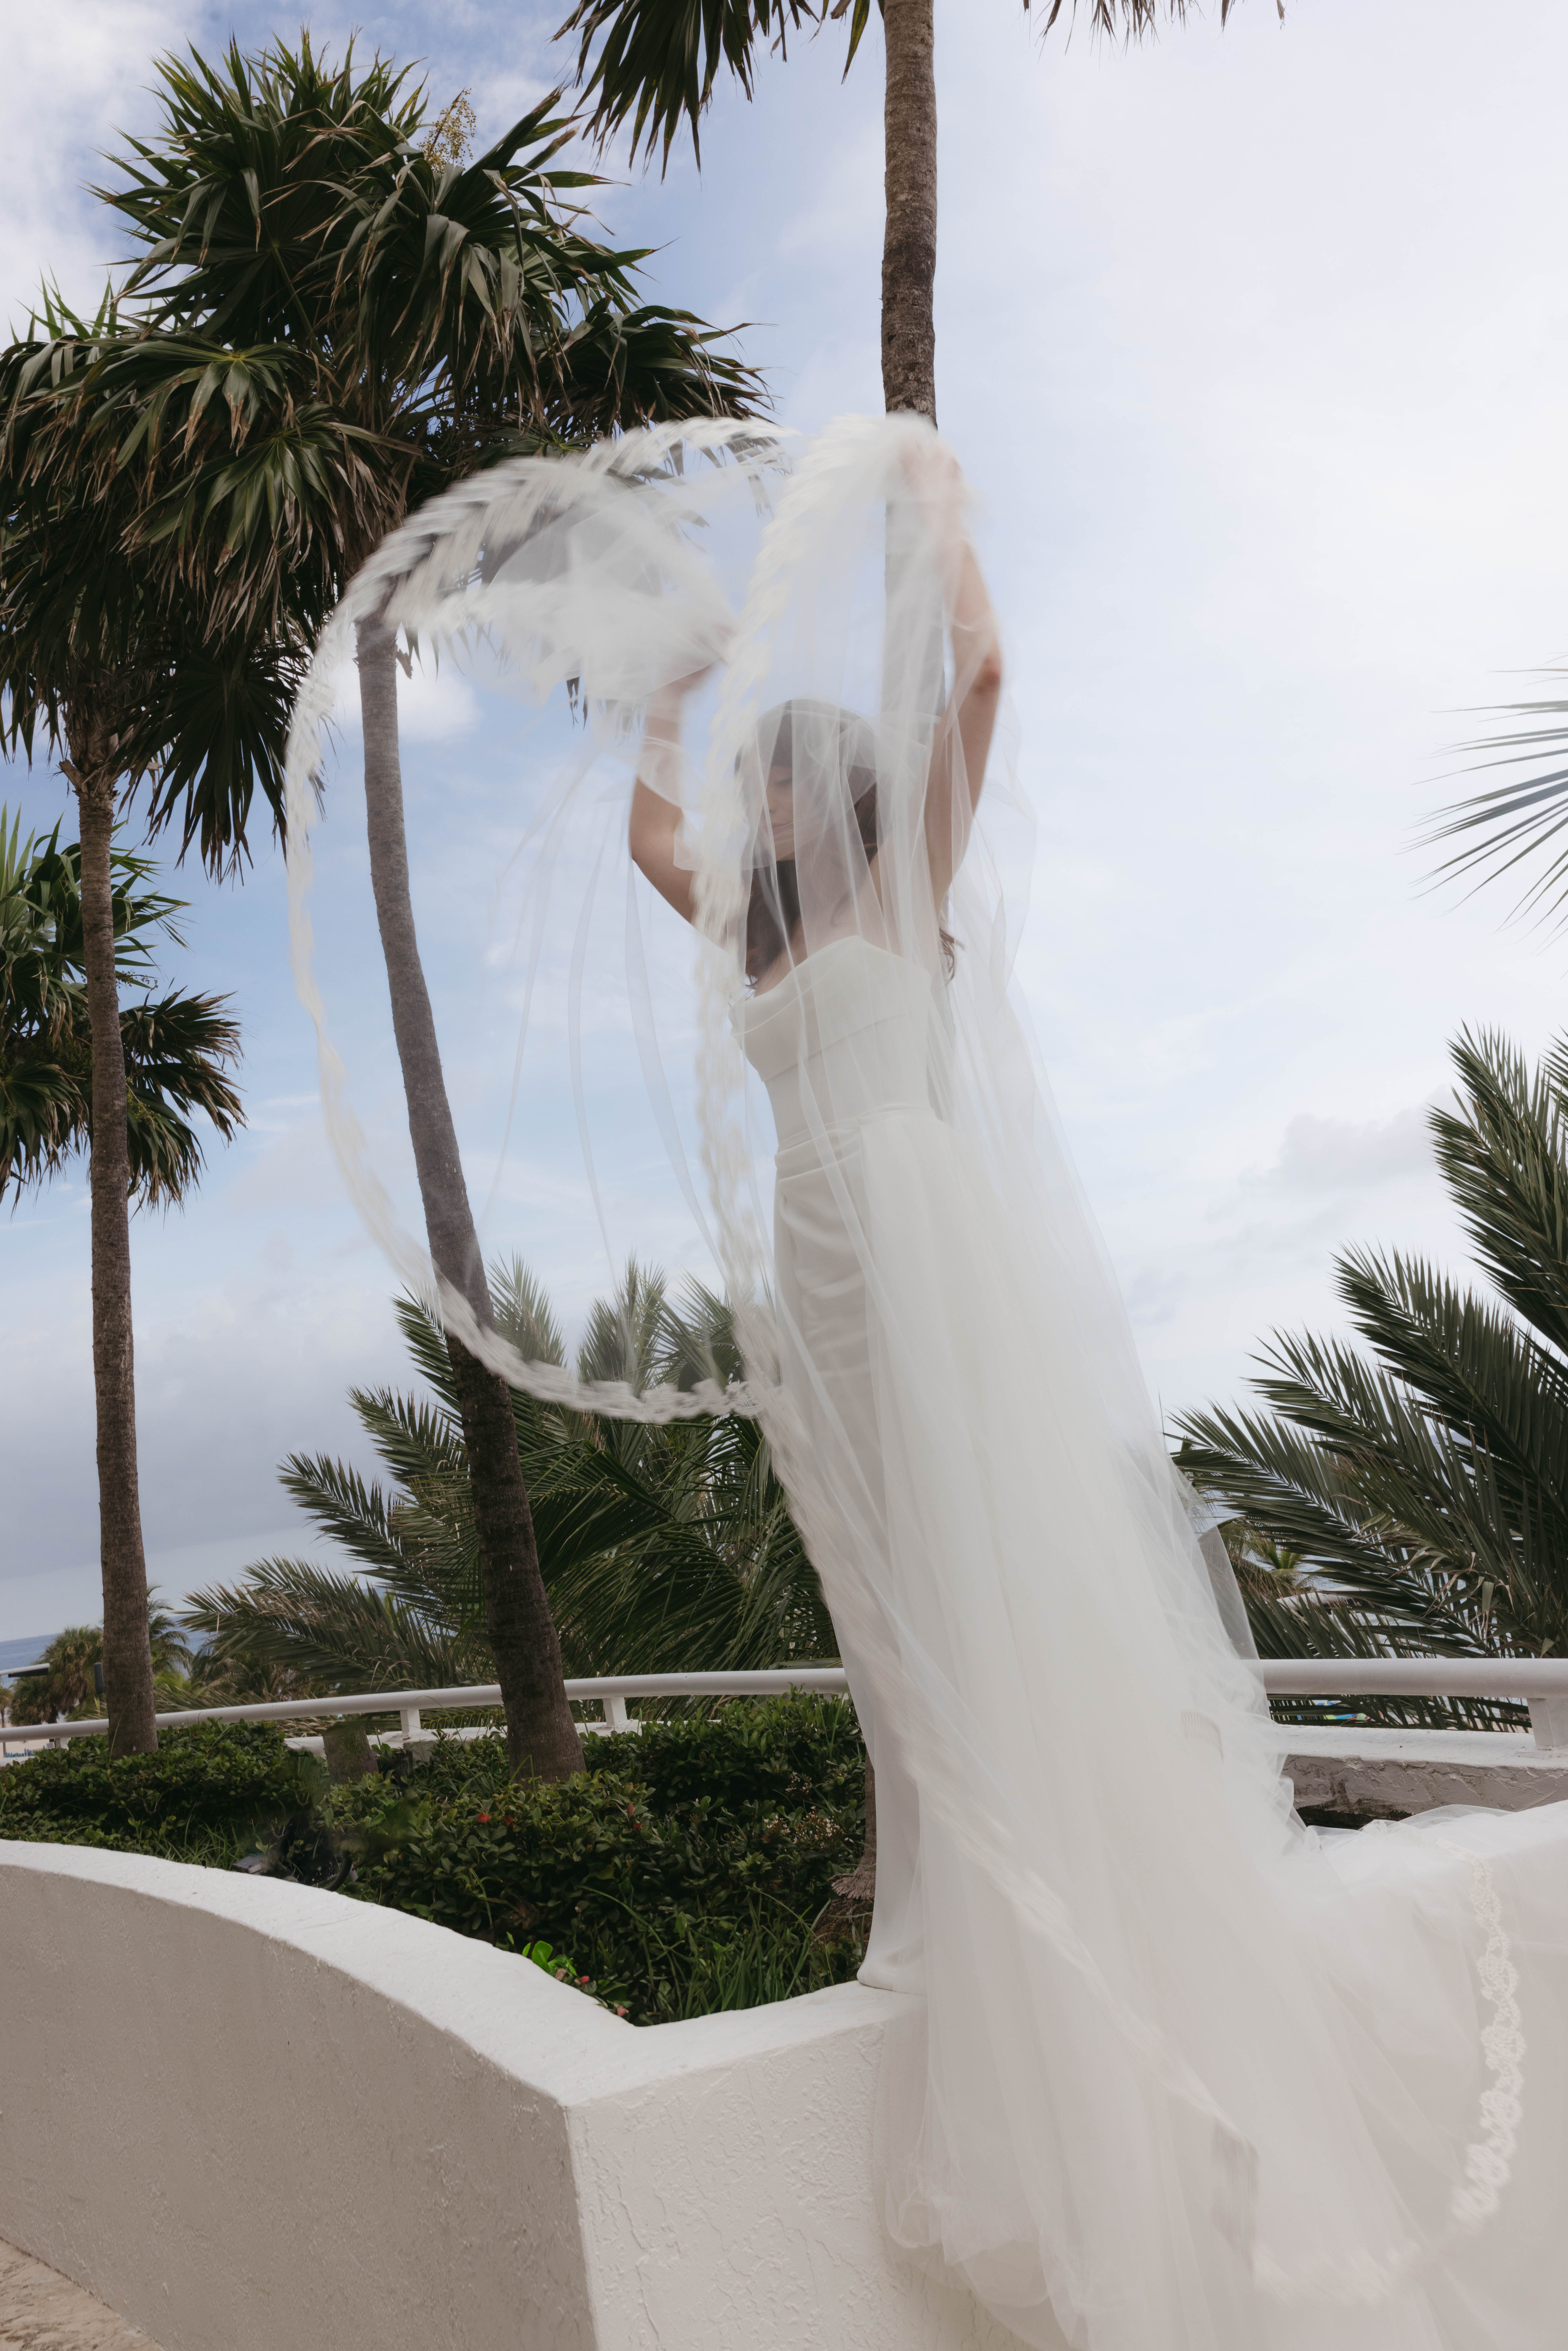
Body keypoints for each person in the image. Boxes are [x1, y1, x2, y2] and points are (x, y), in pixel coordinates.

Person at [289, 413, 1568, 2351]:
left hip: (923, 1258)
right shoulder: (758, 934)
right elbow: (653, 835)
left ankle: (1097, 1954)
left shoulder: (912, 894)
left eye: (785, 778)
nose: (763, 804)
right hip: (817, 1272)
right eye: (760, 784)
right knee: (892, 1596)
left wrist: (937, 506)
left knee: (991, 1575)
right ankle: (939, 1909)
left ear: (847, 801)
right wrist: (674, 698)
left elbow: (979, 675)